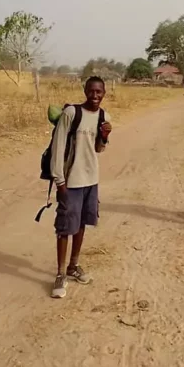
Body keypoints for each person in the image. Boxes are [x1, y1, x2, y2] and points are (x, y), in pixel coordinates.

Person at [49, 76, 112, 299]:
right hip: (70, 181)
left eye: (99, 92)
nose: (95, 96)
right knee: (65, 227)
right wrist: (60, 181)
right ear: (85, 91)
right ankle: (59, 274)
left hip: (91, 180)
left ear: (104, 93)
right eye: (91, 91)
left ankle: (73, 266)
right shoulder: (72, 114)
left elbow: (98, 150)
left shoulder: (104, 116)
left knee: (82, 224)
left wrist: (104, 136)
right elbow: (58, 147)